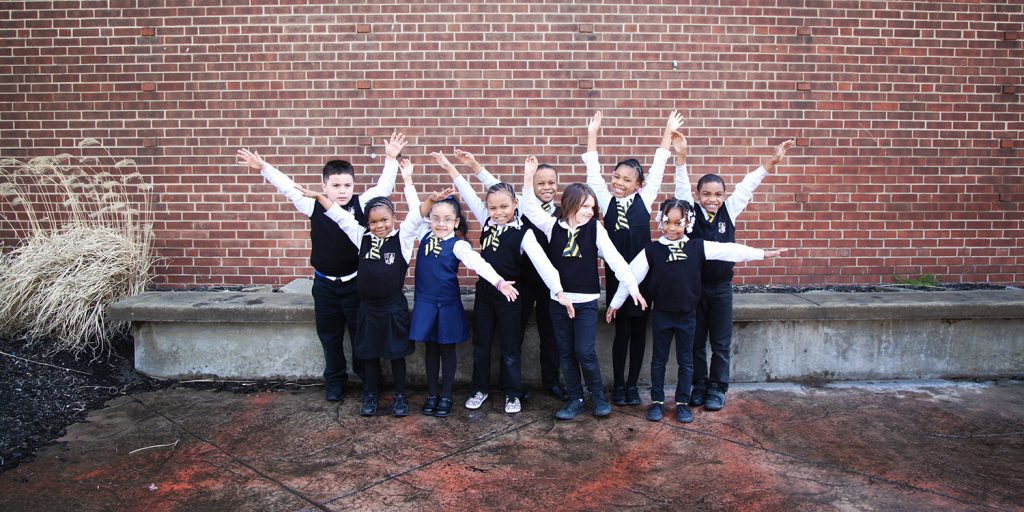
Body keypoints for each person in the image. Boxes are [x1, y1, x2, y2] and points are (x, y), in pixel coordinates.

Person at [236, 133, 406, 401]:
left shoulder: (360, 205)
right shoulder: (312, 205)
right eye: (336, 185)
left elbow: (384, 187)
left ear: (353, 186)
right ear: (324, 186)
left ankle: (368, 382)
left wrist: (390, 158)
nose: (342, 190)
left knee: (360, 335)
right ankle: (335, 381)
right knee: (329, 336)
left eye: (347, 185)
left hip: (355, 284)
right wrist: (265, 168)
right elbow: (288, 187)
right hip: (324, 284)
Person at [607, 198, 788, 423]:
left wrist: (762, 254)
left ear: (688, 223)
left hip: (687, 315)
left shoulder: (697, 246)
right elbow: (630, 276)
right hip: (662, 314)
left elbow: (729, 250)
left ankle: (683, 403)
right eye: (667, 222)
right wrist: (615, 303)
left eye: (678, 222)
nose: (672, 228)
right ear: (660, 222)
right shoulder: (651, 250)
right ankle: (657, 402)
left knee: (686, 361)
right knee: (658, 360)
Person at [435, 152, 573, 414]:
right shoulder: (486, 219)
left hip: (512, 295)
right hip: (485, 293)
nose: (498, 213)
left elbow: (544, 264)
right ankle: (480, 389)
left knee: (510, 348)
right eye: (493, 208)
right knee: (482, 345)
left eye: (504, 207)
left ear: (516, 204)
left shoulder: (525, 233)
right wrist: (450, 167)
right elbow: (467, 191)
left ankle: (512, 393)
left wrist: (558, 291)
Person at [673, 134, 795, 411]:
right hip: (694, 289)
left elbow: (749, 184)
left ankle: (718, 388)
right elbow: (680, 187)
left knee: (720, 342)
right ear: (697, 195)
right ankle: (699, 385)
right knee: (695, 343)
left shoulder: (730, 210)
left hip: (720, 289)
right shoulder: (689, 213)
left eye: (717, 194)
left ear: (724, 196)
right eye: (706, 194)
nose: (712, 199)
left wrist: (772, 161)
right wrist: (681, 158)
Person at [521, 156, 647, 420]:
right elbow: (528, 205)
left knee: (584, 351)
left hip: (586, 301)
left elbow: (615, 260)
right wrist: (528, 174)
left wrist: (632, 287)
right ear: (570, 205)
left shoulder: (596, 230)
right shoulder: (551, 226)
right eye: (585, 206)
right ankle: (576, 398)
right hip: (559, 301)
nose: (590, 211)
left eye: (592, 206)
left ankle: (598, 396)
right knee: (565, 352)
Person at [296, 159, 422, 417]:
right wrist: (320, 198)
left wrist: (406, 178)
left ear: (393, 219)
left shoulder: (402, 239)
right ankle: (368, 394)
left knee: (396, 354)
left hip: (392, 308)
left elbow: (416, 213)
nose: (380, 226)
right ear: (367, 223)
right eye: (374, 222)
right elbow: (339, 216)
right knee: (365, 350)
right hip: (365, 307)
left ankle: (398, 395)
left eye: (385, 221)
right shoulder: (360, 236)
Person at [584, 110, 684, 406]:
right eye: (616, 176)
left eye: (627, 180)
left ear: (638, 184)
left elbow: (660, 163)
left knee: (639, 331)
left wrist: (667, 130)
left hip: (643, 278)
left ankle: (632, 386)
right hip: (616, 276)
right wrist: (593, 134)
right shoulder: (605, 200)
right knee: (621, 332)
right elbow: (592, 170)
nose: (619, 182)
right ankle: (618, 386)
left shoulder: (645, 198)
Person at [407, 186, 519, 418]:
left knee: (447, 351)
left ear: (456, 222)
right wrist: (408, 180)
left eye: (447, 220)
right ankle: (432, 394)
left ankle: (446, 395)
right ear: (429, 220)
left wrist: (499, 283)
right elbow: (414, 209)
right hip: (426, 305)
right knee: (430, 350)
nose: (440, 224)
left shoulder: (458, 245)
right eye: (435, 219)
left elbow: (480, 264)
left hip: (447, 306)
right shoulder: (423, 235)